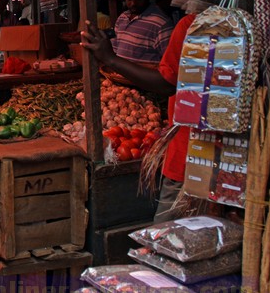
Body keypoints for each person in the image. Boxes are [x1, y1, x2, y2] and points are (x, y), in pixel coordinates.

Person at [81, 13, 196, 222]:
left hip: (189, 152)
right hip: (230, 156)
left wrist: (110, 59)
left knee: (166, 236)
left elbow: (166, 83)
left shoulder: (191, 24)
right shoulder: (246, 25)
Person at [112, 0, 173, 66]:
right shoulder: (122, 18)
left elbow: (169, 64)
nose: (133, 3)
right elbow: (117, 48)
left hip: (145, 80)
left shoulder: (162, 24)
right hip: (120, 78)